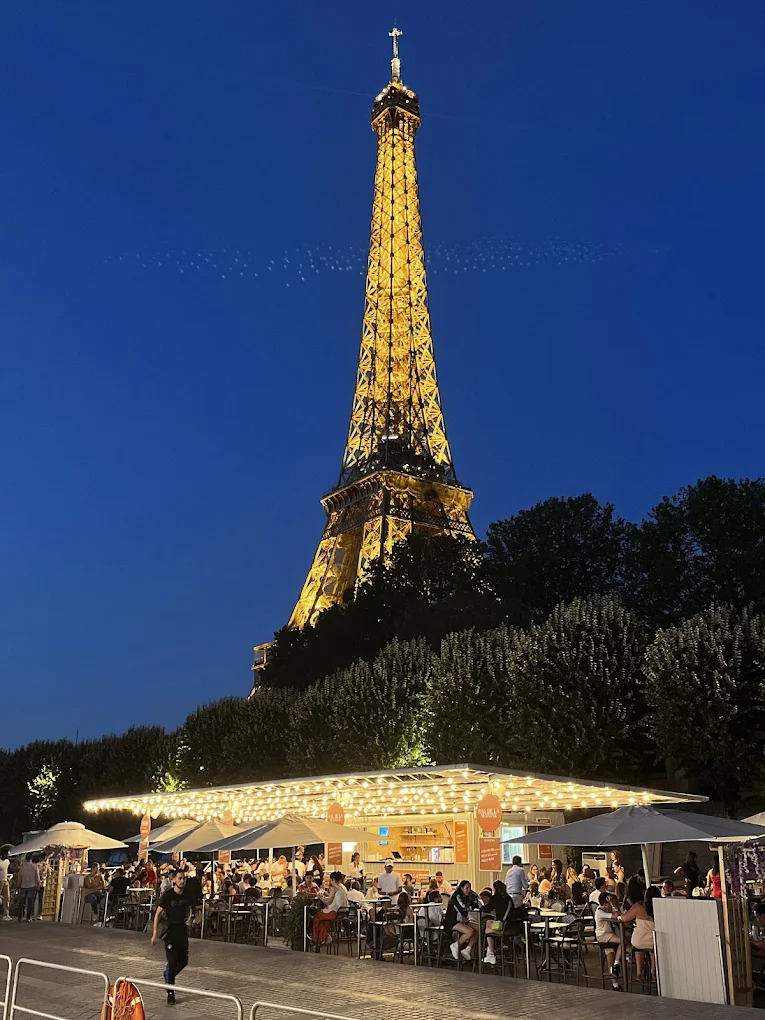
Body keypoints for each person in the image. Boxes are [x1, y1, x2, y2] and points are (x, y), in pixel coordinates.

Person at [152, 869, 193, 1004]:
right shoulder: (167, 895)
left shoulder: (187, 894)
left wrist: (190, 917)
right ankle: (171, 992)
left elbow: (191, 907)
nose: (182, 881)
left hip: (182, 929)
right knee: (172, 960)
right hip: (170, 931)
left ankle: (168, 975)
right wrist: (155, 933)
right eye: (180, 878)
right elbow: (157, 914)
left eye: (184, 878)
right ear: (174, 880)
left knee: (183, 960)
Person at [620, 887, 658, 980]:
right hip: (655, 941)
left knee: (638, 947)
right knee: (654, 949)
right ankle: (653, 971)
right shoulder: (659, 907)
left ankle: (639, 972)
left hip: (639, 940)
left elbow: (624, 918)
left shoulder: (639, 906)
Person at [311, 871, 348, 948]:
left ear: (333, 880)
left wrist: (320, 897)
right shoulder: (342, 888)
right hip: (343, 912)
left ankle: (318, 939)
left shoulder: (334, 888)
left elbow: (328, 902)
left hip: (334, 912)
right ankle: (324, 938)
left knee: (317, 917)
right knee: (324, 920)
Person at [444, 880, 478, 962]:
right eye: (467, 888)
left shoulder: (468, 897)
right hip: (452, 921)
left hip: (463, 920)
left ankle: (468, 949)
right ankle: (455, 945)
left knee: (479, 928)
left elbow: (477, 905)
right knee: (470, 932)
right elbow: (462, 908)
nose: (469, 890)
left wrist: (475, 897)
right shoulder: (457, 897)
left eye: (470, 888)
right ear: (461, 888)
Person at [594, 891, 622, 988]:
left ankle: (615, 984)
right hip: (603, 935)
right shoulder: (600, 912)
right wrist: (614, 905)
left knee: (610, 957)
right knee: (623, 941)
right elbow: (616, 915)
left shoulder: (605, 911)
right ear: (606, 904)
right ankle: (617, 963)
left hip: (608, 935)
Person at [480, 879, 511, 966]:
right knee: (489, 922)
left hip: (502, 927)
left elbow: (487, 909)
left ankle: (491, 953)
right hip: (510, 925)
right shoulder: (508, 898)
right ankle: (490, 952)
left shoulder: (496, 898)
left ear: (495, 889)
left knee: (486, 931)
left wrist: (480, 907)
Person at [18, 853, 39, 922]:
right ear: (31, 858)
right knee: (30, 902)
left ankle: (20, 916)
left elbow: (20, 877)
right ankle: (28, 917)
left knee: (21, 902)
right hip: (32, 885)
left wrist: (18, 885)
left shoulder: (22, 866)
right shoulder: (34, 866)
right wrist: (38, 884)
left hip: (23, 886)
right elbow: (37, 877)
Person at [0, 850, 10, 920]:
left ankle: (6, 914)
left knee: (7, 897)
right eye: (7, 854)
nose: (8, 855)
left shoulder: (7, 862)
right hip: (0, 881)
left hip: (5, 880)